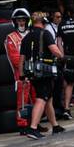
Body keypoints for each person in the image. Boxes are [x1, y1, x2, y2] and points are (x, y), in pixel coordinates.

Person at [18, 12, 64, 140]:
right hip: (45, 72)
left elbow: (21, 59)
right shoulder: (45, 33)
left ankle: (55, 126)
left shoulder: (26, 38)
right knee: (42, 98)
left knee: (47, 98)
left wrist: (22, 76)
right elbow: (54, 50)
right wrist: (62, 57)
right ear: (43, 22)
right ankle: (33, 128)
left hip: (32, 73)